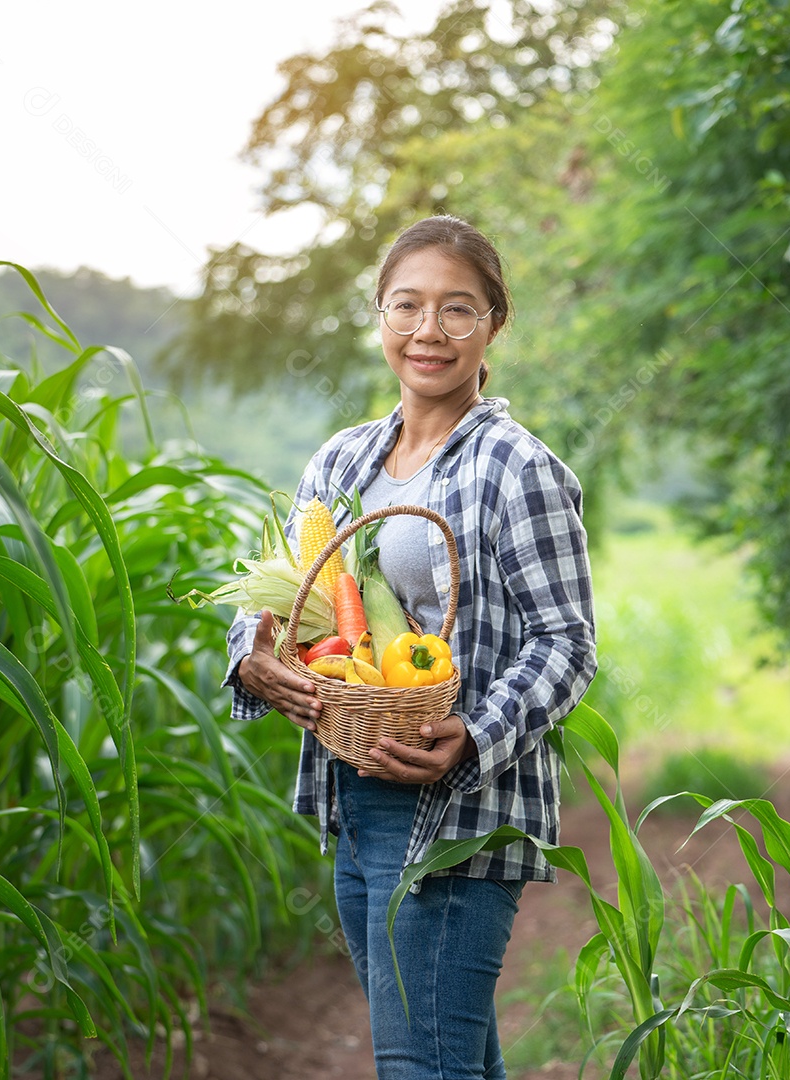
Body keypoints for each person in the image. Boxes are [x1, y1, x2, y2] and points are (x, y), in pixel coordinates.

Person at [224, 214, 596, 1079]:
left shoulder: (517, 467)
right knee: (449, 1059)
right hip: (351, 796)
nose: (429, 331)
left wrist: (473, 736)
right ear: (381, 316)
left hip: (458, 813)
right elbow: (282, 591)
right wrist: (252, 655)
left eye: (457, 310)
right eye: (408, 306)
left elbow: (567, 642)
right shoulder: (343, 462)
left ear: (493, 323)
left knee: (420, 1065)